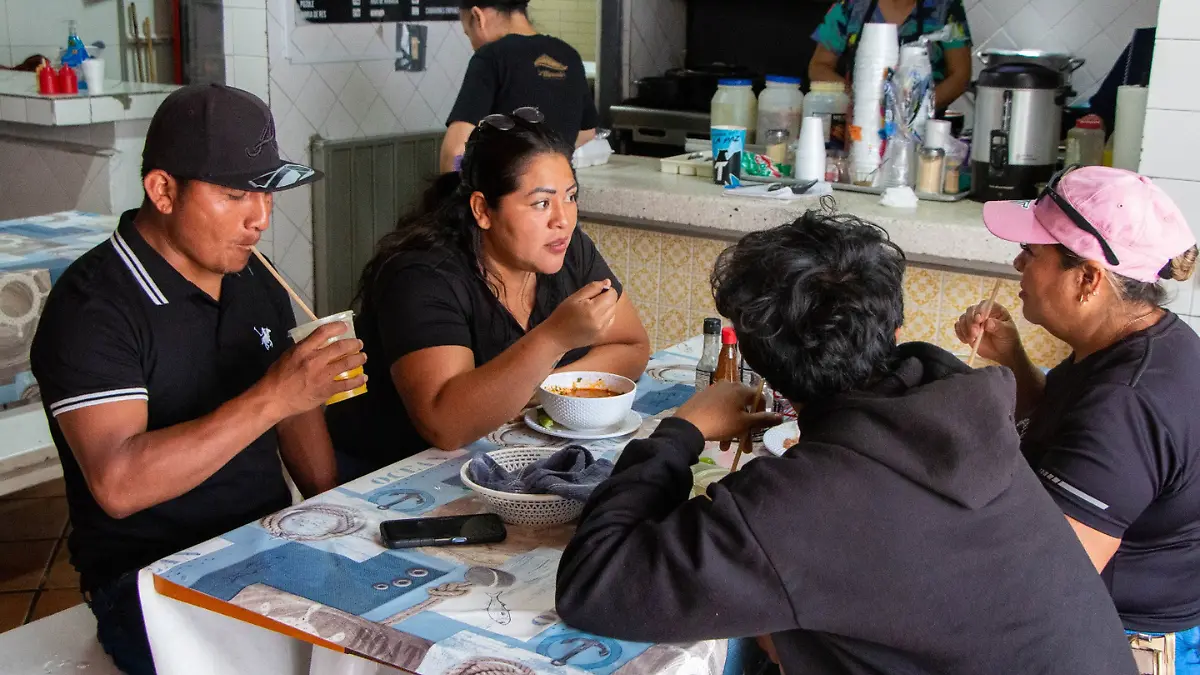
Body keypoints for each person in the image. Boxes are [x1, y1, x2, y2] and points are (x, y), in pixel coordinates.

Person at [555, 212, 1136, 674]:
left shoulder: (798, 506)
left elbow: (594, 583)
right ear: (895, 328)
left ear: (764, 368)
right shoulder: (962, 409)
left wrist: (680, 430)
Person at [28, 84, 366, 675]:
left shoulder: (254, 275)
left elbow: (309, 455)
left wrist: (349, 515)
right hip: (151, 577)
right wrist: (273, 395)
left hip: (268, 542)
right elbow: (118, 482)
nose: (260, 218)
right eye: (236, 194)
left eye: (266, 193)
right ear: (162, 190)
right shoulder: (93, 307)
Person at [955, 165, 1200, 673]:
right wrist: (1014, 361)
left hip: (1122, 641)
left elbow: (1049, 578)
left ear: (1088, 278)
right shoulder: (1138, 341)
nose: (1018, 261)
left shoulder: (1127, 403)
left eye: (1034, 253)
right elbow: (1063, 423)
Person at [326, 109, 649, 481]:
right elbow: (445, 426)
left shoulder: (567, 248)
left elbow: (632, 347)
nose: (563, 218)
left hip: (495, 461)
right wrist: (554, 339)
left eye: (571, 197)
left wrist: (535, 389)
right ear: (482, 209)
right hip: (392, 478)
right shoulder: (421, 275)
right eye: (541, 203)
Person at [439, 0, 598, 173]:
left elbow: (455, 151)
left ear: (478, 17)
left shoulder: (491, 56)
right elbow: (587, 132)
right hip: (560, 194)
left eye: (468, 34)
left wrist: (452, 196)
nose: (473, 45)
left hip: (508, 194)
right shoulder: (569, 55)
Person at [809, 0, 972, 109]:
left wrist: (916, 110)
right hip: (856, 128)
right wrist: (859, 99)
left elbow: (960, 75)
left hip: (922, 135)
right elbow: (819, 66)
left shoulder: (946, 6)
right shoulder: (851, 4)